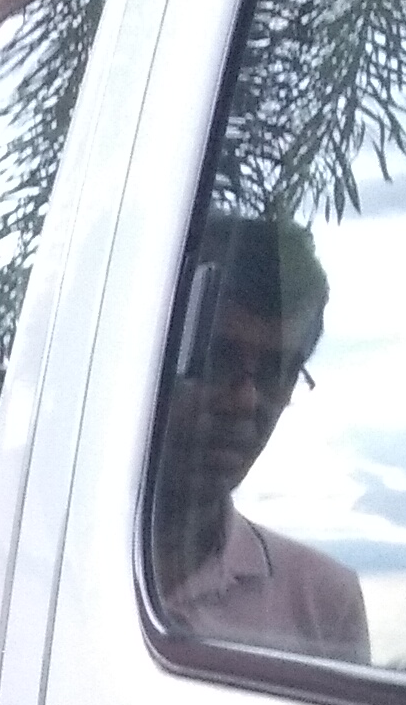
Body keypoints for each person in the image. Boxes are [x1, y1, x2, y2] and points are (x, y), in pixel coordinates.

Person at [151, 212, 370, 659]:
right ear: (159, 352)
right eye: (217, 358)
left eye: (274, 372)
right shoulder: (24, 555)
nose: (245, 401)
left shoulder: (322, 611)